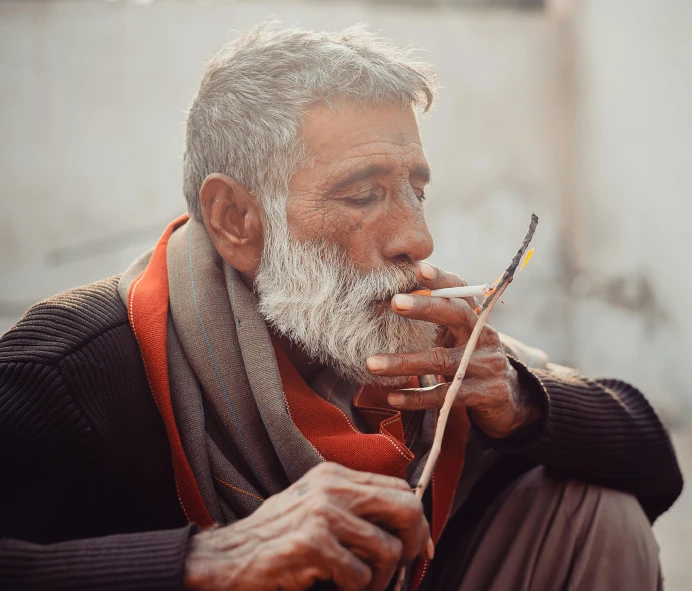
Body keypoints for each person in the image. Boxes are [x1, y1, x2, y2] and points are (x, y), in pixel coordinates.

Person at [0, 23, 682, 591]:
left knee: (598, 512)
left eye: (415, 188)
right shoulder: (71, 365)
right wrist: (206, 561)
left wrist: (518, 398)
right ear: (237, 218)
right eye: (362, 195)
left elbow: (654, 461)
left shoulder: (411, 336)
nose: (417, 237)